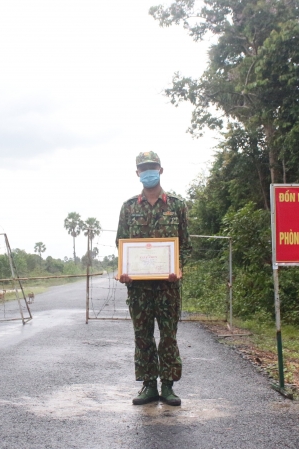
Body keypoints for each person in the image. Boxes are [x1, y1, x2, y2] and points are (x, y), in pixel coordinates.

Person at [116, 151, 190, 406]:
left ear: (160, 169)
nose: (148, 171)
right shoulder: (128, 208)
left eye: (152, 167)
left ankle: (168, 386)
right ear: (137, 173)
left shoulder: (177, 205)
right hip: (138, 288)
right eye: (143, 168)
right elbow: (121, 244)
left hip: (168, 287)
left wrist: (179, 269)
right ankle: (149, 385)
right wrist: (123, 271)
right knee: (143, 336)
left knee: (168, 336)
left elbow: (185, 246)